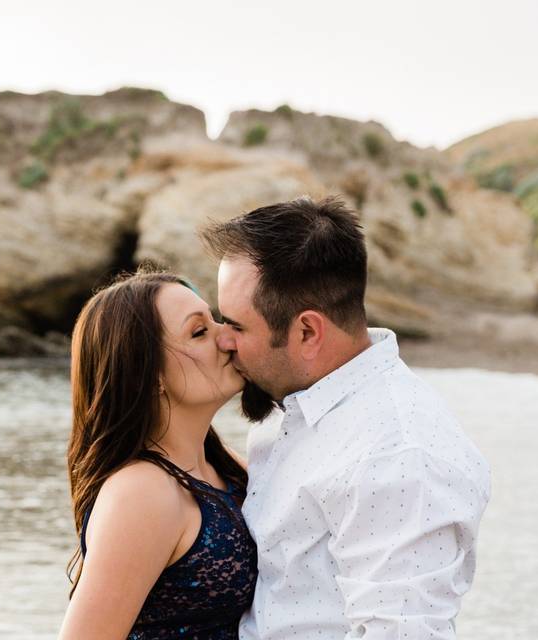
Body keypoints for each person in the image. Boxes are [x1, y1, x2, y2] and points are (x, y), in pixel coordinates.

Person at [199, 196, 491, 640]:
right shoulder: (289, 407)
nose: (223, 341)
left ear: (307, 332)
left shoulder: (397, 452)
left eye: (236, 325)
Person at [57, 270, 257, 640]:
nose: (227, 337)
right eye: (199, 332)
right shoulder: (143, 492)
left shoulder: (223, 467)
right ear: (149, 377)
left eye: (216, 321)